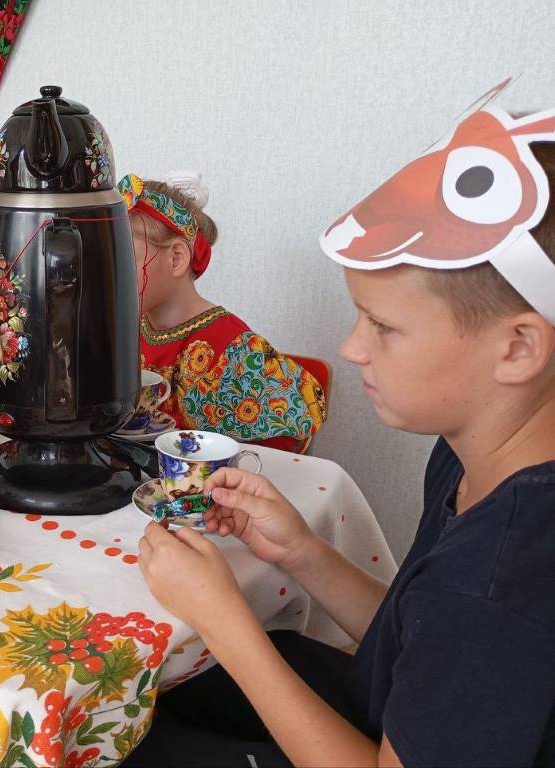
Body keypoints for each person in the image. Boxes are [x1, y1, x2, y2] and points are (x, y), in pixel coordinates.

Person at [131, 96, 555, 766]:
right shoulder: (467, 452)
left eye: (382, 326)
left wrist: (225, 622)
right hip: (380, 708)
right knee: (156, 692)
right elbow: (420, 640)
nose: (351, 349)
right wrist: (302, 551)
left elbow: (461, 625)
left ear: (518, 348)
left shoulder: (502, 579)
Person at [119, 171, 326, 449]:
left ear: (176, 258)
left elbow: (294, 429)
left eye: (122, 257)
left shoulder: (232, 350)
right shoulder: (128, 330)